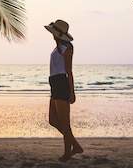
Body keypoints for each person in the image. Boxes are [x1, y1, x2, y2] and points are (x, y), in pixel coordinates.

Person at [45, 19, 83, 161]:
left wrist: (72, 92)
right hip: (54, 83)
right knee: (53, 120)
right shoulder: (58, 47)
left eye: (54, 32)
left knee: (64, 122)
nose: (52, 34)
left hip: (62, 83)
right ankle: (76, 145)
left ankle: (68, 153)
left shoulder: (67, 48)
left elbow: (69, 70)